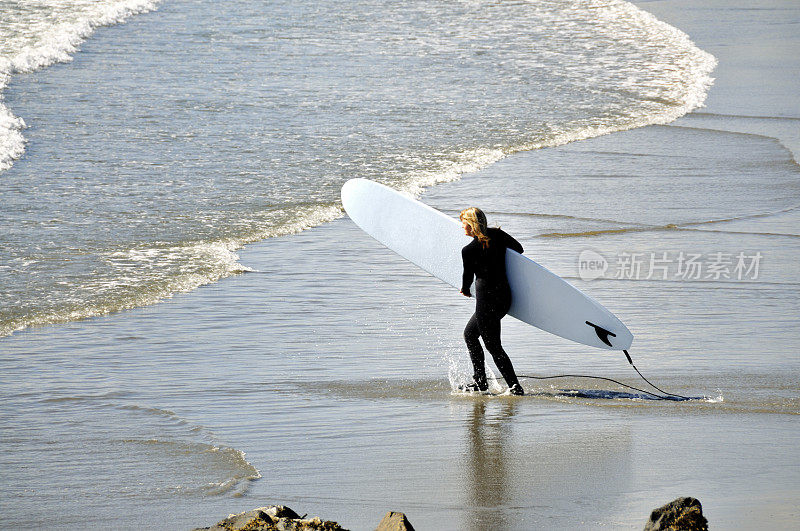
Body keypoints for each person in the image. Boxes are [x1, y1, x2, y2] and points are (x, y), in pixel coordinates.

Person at [459, 207, 524, 396]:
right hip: (504, 296)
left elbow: (467, 279)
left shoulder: (468, 250)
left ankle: (514, 387)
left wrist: (463, 290)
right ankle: (480, 382)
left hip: (486, 299)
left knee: (493, 345)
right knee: (470, 334)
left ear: (471, 224)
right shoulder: (498, 235)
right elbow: (519, 249)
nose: (461, 226)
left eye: (463, 222)